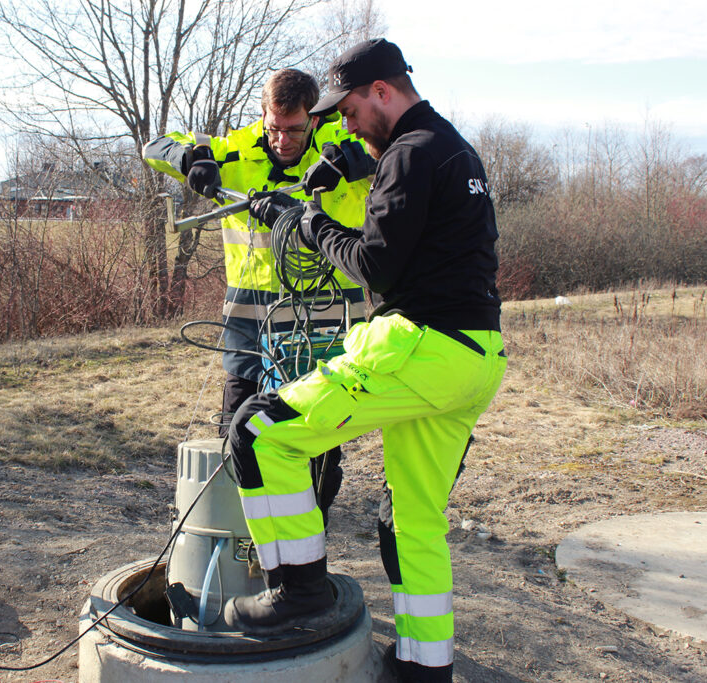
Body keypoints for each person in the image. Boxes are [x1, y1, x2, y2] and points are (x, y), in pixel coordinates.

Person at [222, 39, 507, 683]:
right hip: (478, 356)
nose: (343, 126)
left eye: (348, 112)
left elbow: (374, 266)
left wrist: (305, 220)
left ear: (382, 91)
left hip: (423, 347)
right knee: (413, 522)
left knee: (258, 430)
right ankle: (422, 667)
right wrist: (350, 172)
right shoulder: (453, 147)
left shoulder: (410, 153)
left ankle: (297, 591)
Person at [142, 68, 375, 526]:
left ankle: (308, 541)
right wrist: (194, 158)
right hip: (248, 320)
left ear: (313, 119)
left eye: (295, 130)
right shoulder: (238, 148)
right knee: (237, 429)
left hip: (321, 320)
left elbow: (398, 158)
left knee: (316, 439)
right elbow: (154, 149)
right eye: (275, 128)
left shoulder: (343, 144)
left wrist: (356, 162)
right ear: (263, 115)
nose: (283, 140)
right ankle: (243, 538)